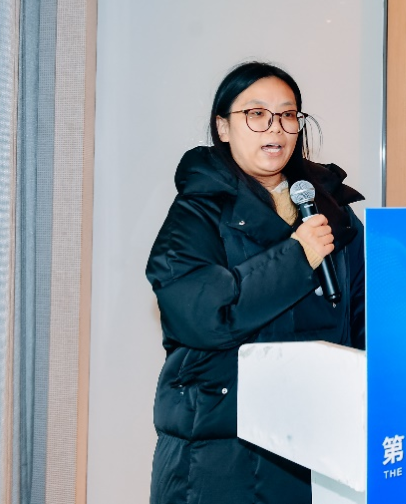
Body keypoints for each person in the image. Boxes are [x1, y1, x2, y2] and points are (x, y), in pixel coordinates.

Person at [146, 62, 365, 504]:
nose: (276, 128)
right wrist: (297, 258)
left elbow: (363, 317)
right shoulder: (197, 212)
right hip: (222, 450)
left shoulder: (330, 211)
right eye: (257, 114)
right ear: (223, 127)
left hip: (321, 441)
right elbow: (204, 315)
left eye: (287, 115)